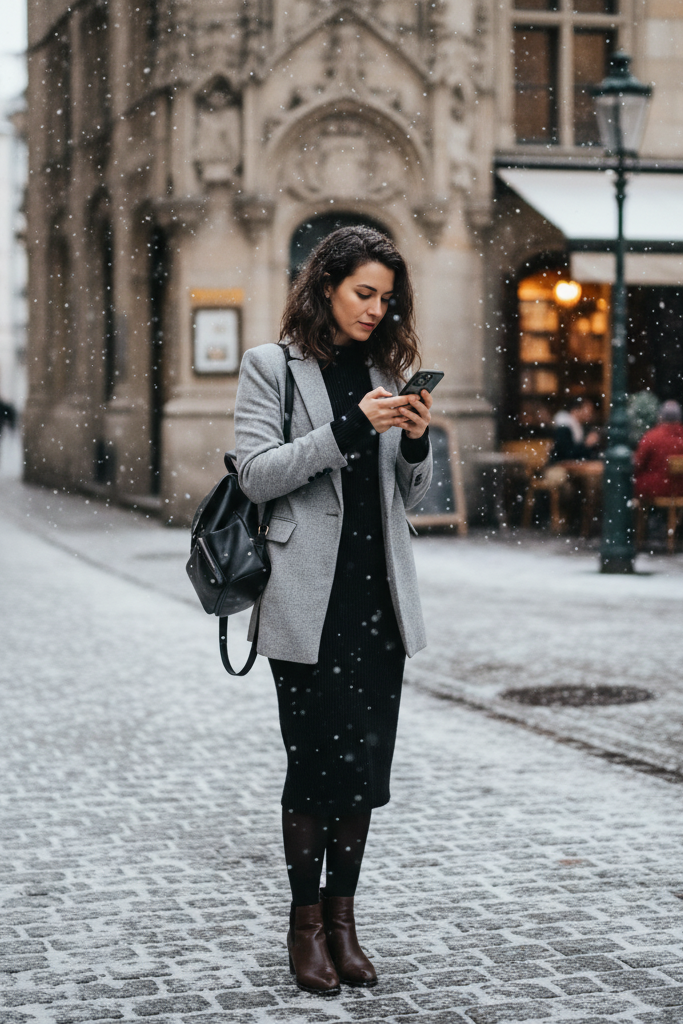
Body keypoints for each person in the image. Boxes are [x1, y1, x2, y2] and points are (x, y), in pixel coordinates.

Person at [234, 226, 432, 996]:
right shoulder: (270, 369)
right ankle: (304, 924)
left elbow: (405, 501)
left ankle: (345, 922)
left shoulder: (388, 371)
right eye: (363, 294)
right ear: (325, 287)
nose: (377, 310)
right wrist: (347, 427)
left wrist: (412, 445)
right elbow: (255, 475)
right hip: (304, 601)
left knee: (362, 775)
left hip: (377, 603)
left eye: (387, 298)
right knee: (315, 771)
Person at [634, 399, 683, 500]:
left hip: (657, 490)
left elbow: (638, 463)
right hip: (680, 490)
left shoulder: (652, 436)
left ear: (660, 417)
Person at [549, 396, 601, 464]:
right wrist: (586, 445)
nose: (590, 413)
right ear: (576, 409)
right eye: (588, 409)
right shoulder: (564, 426)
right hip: (560, 465)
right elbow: (566, 454)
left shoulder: (579, 426)